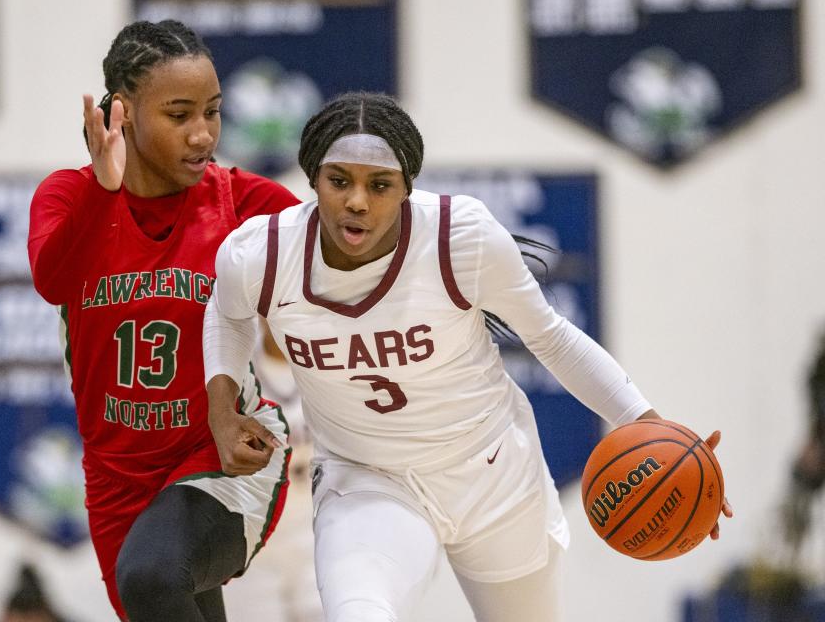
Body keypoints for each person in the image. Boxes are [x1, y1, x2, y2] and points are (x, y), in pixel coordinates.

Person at [203, 92, 733, 622]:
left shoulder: (461, 237)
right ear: (313, 179)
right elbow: (224, 315)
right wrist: (221, 409)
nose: (357, 201)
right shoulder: (261, 254)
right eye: (339, 180)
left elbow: (550, 337)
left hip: (489, 471)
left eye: (380, 184)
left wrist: (648, 426)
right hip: (368, 479)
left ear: (407, 188)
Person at [27, 20, 300, 622]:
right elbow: (53, 281)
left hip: (223, 449)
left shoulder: (243, 202)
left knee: (152, 575)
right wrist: (104, 189)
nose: (203, 134)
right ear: (120, 112)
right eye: (179, 115)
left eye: (213, 111)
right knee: (159, 590)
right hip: (116, 478)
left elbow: (338, 247)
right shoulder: (68, 197)